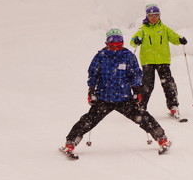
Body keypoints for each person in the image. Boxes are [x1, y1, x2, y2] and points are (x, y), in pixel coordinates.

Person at [61, 29, 172, 157]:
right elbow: (93, 74)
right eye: (112, 46)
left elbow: (135, 74)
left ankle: (162, 139)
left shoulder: (128, 56)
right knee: (88, 121)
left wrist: (137, 90)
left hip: (123, 98)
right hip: (104, 97)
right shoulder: (101, 56)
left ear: (123, 43)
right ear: (107, 43)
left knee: (143, 117)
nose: (116, 48)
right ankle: (70, 143)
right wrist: (91, 90)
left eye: (119, 45)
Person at [130, 4, 188, 120]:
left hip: (163, 61)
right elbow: (133, 41)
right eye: (151, 15)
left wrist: (180, 39)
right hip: (148, 61)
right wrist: (136, 40)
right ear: (147, 16)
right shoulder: (143, 30)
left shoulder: (164, 28)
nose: (154, 18)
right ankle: (140, 107)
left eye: (156, 15)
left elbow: (173, 36)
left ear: (159, 16)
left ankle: (173, 106)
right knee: (147, 85)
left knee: (168, 84)